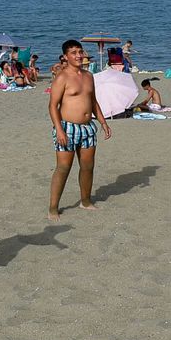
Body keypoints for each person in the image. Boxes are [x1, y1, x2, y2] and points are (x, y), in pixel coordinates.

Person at [48, 39, 112, 221]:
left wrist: (103, 122)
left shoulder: (88, 75)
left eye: (80, 52)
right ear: (65, 57)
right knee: (63, 168)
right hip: (67, 128)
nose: (78, 55)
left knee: (88, 167)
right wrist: (59, 130)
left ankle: (85, 201)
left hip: (88, 128)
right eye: (73, 53)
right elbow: (53, 106)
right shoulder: (62, 77)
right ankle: (53, 208)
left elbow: (93, 102)